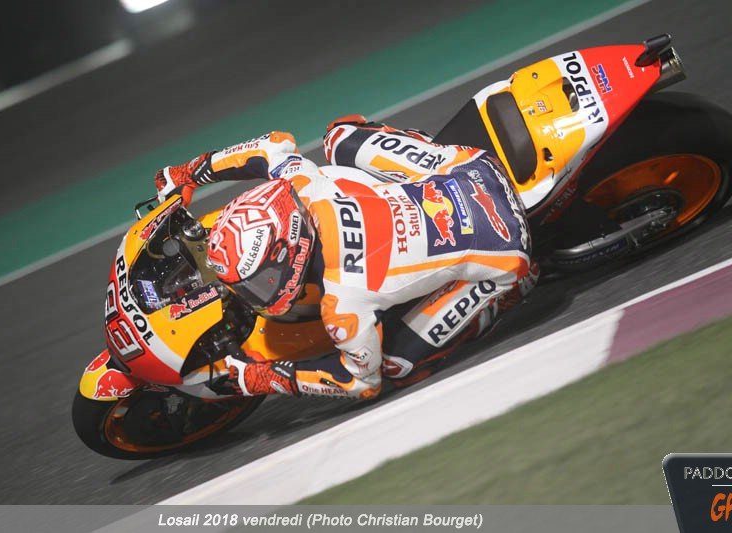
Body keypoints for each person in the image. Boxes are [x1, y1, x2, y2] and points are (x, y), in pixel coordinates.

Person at [153, 116, 538, 400]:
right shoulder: (303, 182)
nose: (254, 293)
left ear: (289, 252)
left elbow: (360, 382)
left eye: (258, 281)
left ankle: (505, 296)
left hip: (505, 248)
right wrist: (187, 174)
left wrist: (263, 378)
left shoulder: (342, 303)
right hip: (469, 166)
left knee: (396, 365)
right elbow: (271, 145)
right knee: (339, 135)